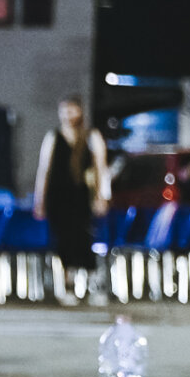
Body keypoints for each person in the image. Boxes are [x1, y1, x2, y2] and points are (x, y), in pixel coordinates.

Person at [32, 94, 109, 302]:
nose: (68, 115)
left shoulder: (91, 136)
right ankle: (67, 287)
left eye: (72, 110)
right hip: (58, 198)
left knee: (84, 238)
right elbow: (44, 169)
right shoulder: (53, 137)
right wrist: (39, 200)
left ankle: (93, 286)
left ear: (80, 111)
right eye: (64, 110)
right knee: (63, 241)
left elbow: (101, 168)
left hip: (81, 197)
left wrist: (102, 196)